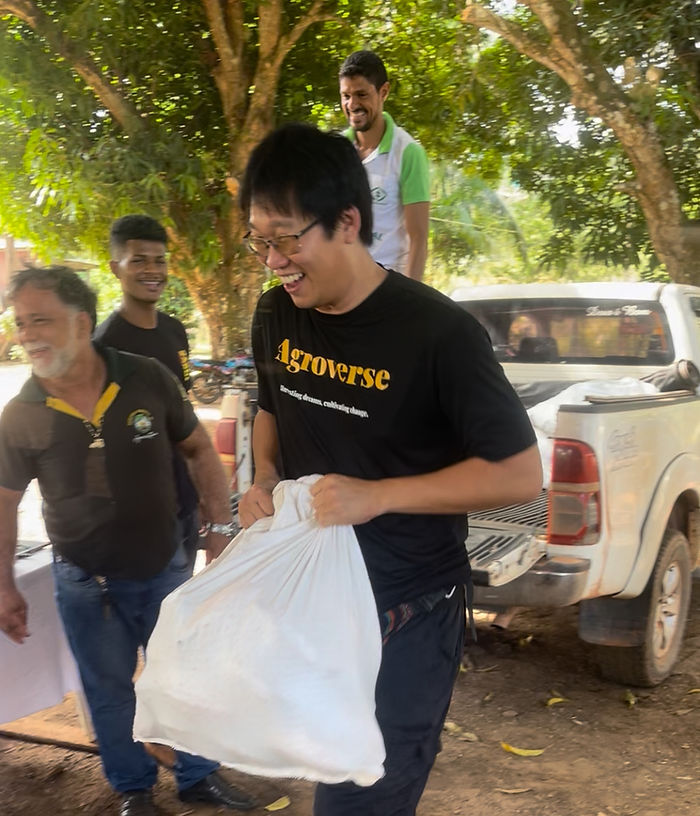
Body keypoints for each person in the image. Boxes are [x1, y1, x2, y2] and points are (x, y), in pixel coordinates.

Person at [237, 123, 542, 816]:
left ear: (348, 222)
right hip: (315, 604)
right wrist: (263, 478)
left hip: (407, 617)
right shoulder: (275, 314)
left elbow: (520, 475)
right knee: (321, 770)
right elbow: (271, 407)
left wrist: (378, 496)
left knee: (360, 800)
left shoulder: (438, 335)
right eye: (258, 241)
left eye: (287, 238)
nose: (274, 260)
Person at [0, 266, 255, 816]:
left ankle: (198, 775)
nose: (27, 335)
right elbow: (3, 501)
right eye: (21, 323)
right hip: (85, 582)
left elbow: (199, 450)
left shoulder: (145, 377)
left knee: (185, 679)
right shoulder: (21, 414)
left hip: (165, 569)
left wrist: (218, 527)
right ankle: (134, 790)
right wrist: (3, 585)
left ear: (81, 323)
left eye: (40, 321)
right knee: (108, 690)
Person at [94, 214, 199, 573]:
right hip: (138, 523)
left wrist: (201, 497)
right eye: (138, 260)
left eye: (159, 260)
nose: (152, 271)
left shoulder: (175, 331)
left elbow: (186, 421)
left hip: (184, 505)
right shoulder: (104, 345)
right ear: (115, 268)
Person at [339, 49, 430, 281]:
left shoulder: (408, 153)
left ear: (384, 92)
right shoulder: (335, 151)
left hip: (388, 286)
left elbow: (419, 237)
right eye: (346, 96)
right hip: (342, 284)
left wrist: (410, 295)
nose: (352, 104)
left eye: (361, 94)